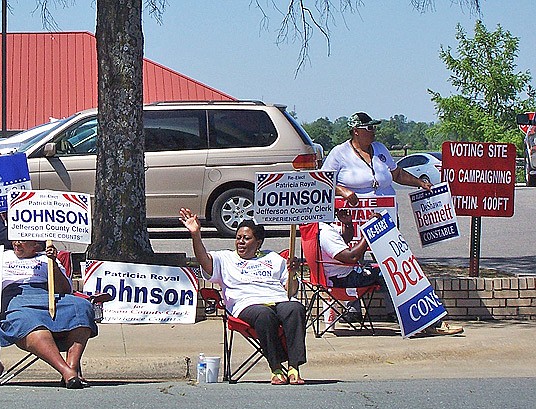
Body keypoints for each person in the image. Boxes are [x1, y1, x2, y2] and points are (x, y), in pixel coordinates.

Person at [323, 112, 462, 335]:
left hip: (383, 213)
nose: (373, 132)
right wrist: (342, 191)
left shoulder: (380, 149)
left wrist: (419, 183)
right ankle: (352, 308)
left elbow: (395, 173)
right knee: (353, 258)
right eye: (368, 128)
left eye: (373, 128)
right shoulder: (339, 153)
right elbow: (324, 180)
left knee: (392, 259)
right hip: (353, 217)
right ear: (355, 130)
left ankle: (397, 309)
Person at [179, 207, 307, 385]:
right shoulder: (225, 258)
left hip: (278, 299)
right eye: (238, 238)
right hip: (246, 305)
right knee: (264, 315)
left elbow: (290, 290)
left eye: (246, 238)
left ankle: (294, 367)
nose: (240, 242)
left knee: (295, 308)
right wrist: (195, 235)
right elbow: (204, 261)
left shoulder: (273, 258)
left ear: (258, 242)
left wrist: (291, 273)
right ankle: (276, 367)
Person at [0, 240, 98, 389]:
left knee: (81, 307)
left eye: (23, 241)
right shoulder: (2, 257)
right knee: (27, 320)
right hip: (15, 297)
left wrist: (53, 264)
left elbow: (64, 290)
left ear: (36, 246)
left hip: (46, 294)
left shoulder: (47, 259)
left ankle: (72, 365)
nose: (17, 243)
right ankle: (67, 372)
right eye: (15, 239)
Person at [319, 209, 395, 323]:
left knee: (374, 270)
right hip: (343, 280)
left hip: (337, 276)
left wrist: (347, 223)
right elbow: (352, 257)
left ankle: (354, 313)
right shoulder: (326, 233)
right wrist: (369, 231)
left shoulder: (320, 228)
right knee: (387, 273)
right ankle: (396, 313)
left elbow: (346, 238)